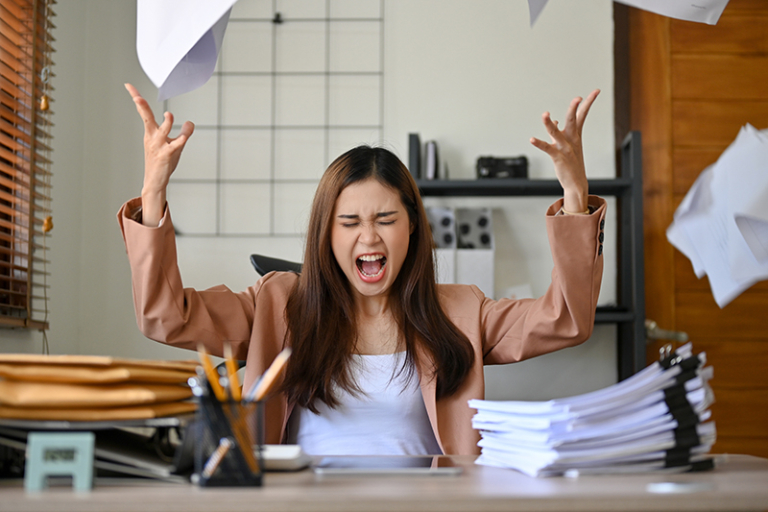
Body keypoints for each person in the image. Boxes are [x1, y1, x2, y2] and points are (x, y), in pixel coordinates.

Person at [119, 83, 606, 456]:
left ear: (412, 226)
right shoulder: (276, 303)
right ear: (326, 233)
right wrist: (154, 192)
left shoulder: (459, 311)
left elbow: (565, 319)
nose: (369, 238)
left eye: (386, 220)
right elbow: (166, 317)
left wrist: (574, 197)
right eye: (349, 222)